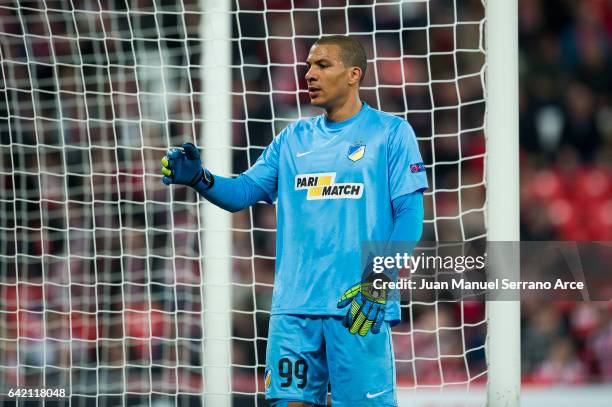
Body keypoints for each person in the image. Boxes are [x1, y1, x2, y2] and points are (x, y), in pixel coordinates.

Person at [161, 35, 427, 407]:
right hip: (293, 308)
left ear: (354, 74)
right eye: (307, 66)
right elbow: (242, 193)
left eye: (322, 65)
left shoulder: (391, 133)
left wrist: (380, 279)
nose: (309, 74)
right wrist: (199, 178)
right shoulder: (292, 139)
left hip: (357, 304)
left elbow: (410, 215)